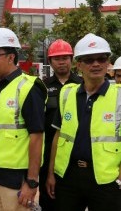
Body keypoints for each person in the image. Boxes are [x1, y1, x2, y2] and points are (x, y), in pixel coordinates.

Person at [0, 28, 47, 210]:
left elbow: (37, 137)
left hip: (13, 180)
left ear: (11, 57)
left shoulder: (28, 88)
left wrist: (31, 182)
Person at [46, 33, 121, 210]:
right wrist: (51, 173)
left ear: (108, 63)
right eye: (89, 60)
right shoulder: (67, 94)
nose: (96, 64)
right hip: (68, 176)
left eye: (101, 59)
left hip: (106, 179)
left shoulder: (119, 96)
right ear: (78, 64)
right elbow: (58, 136)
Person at [40, 39, 81, 211]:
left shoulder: (82, 84)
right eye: (57, 58)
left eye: (65, 57)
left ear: (72, 60)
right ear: (50, 62)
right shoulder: (42, 87)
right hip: (49, 150)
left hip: (76, 152)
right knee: (49, 199)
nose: (62, 62)